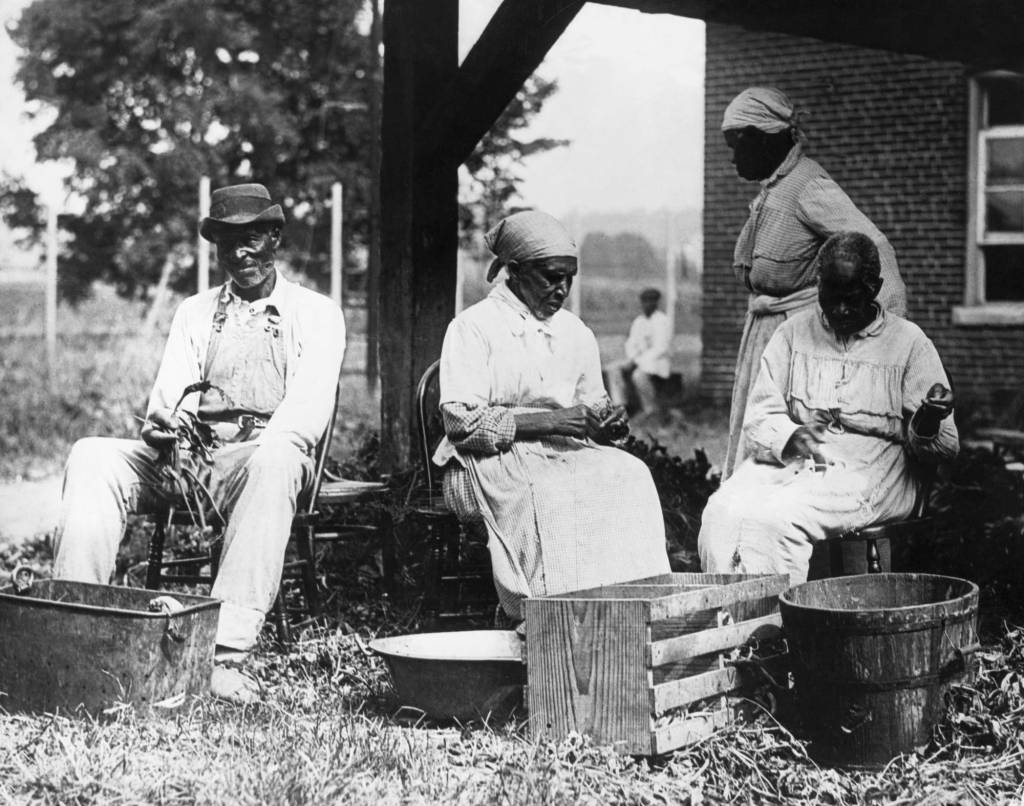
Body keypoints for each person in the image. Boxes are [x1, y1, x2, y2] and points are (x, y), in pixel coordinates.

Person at [52, 183, 346, 704]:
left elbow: (305, 417)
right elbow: (170, 397)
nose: (239, 253)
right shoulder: (196, 311)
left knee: (278, 457)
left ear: (275, 236)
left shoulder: (315, 313)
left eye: (252, 238)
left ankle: (224, 654)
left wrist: (245, 452)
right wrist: (163, 428)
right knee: (91, 454)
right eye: (227, 242)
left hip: (259, 460)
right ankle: (75, 619)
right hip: (191, 458)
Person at [434, 210, 670, 620]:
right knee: (551, 495)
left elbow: (592, 404)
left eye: (569, 279)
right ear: (515, 270)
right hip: (486, 459)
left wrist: (605, 424)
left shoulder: (574, 331)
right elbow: (461, 425)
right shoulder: (473, 327)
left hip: (564, 450)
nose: (562, 289)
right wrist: (553, 422)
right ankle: (550, 621)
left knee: (631, 476)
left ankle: (627, 615)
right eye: (551, 277)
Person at [698, 231, 957, 583]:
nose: (840, 309)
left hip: (872, 465)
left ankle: (776, 628)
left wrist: (927, 419)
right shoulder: (793, 333)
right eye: (830, 297)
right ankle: (729, 621)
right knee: (722, 511)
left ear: (875, 288)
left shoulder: (909, 343)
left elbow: (944, 447)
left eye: (850, 299)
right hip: (799, 457)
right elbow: (760, 413)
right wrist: (790, 438)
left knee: (780, 517)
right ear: (818, 285)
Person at [721, 86, 908, 478]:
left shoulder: (808, 186)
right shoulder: (775, 188)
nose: (733, 156)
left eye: (738, 144)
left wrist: (886, 334)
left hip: (802, 340)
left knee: (792, 446)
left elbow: (875, 246)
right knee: (761, 434)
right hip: (767, 331)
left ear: (766, 137)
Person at [607, 287, 672, 421]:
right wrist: (632, 358)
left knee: (639, 375)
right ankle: (620, 407)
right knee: (613, 369)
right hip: (637, 359)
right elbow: (631, 343)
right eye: (644, 301)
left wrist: (639, 361)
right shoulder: (639, 322)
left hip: (657, 362)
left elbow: (661, 348)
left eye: (650, 301)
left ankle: (650, 409)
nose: (647, 305)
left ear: (656, 303)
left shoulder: (662, 321)